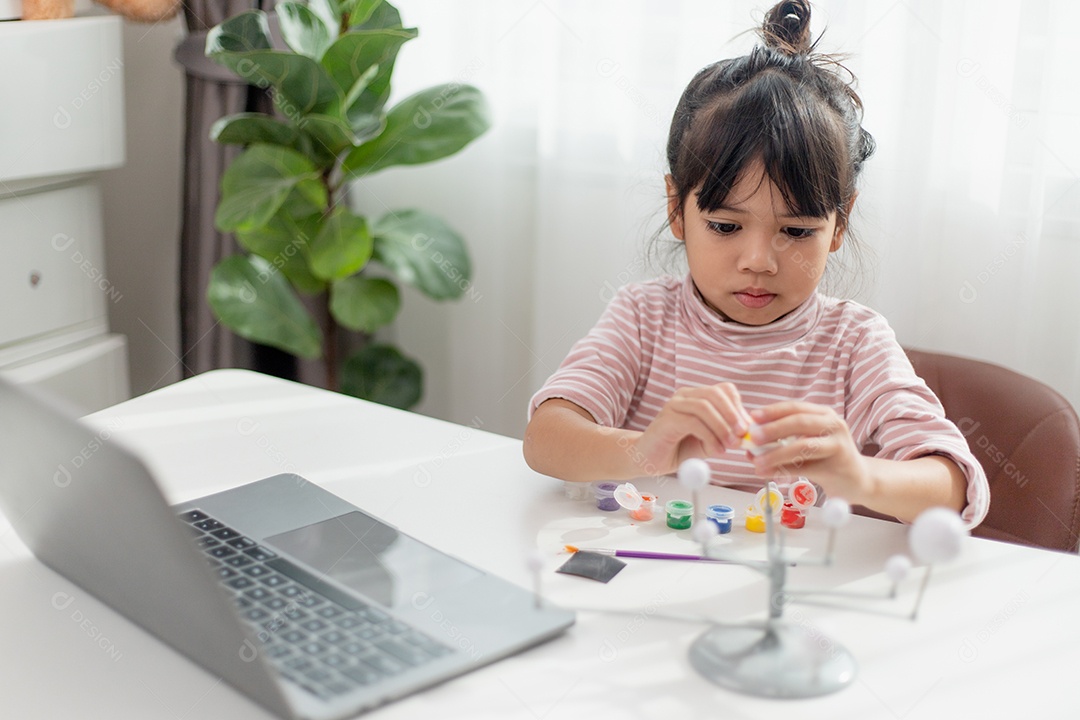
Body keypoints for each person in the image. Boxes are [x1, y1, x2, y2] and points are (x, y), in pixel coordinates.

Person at [522, 0, 989, 526]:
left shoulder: (853, 343)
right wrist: (649, 449)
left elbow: (954, 486)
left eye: (797, 231)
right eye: (725, 226)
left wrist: (860, 476)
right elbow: (546, 440)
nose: (759, 261)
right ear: (677, 210)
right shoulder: (644, 317)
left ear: (839, 224)